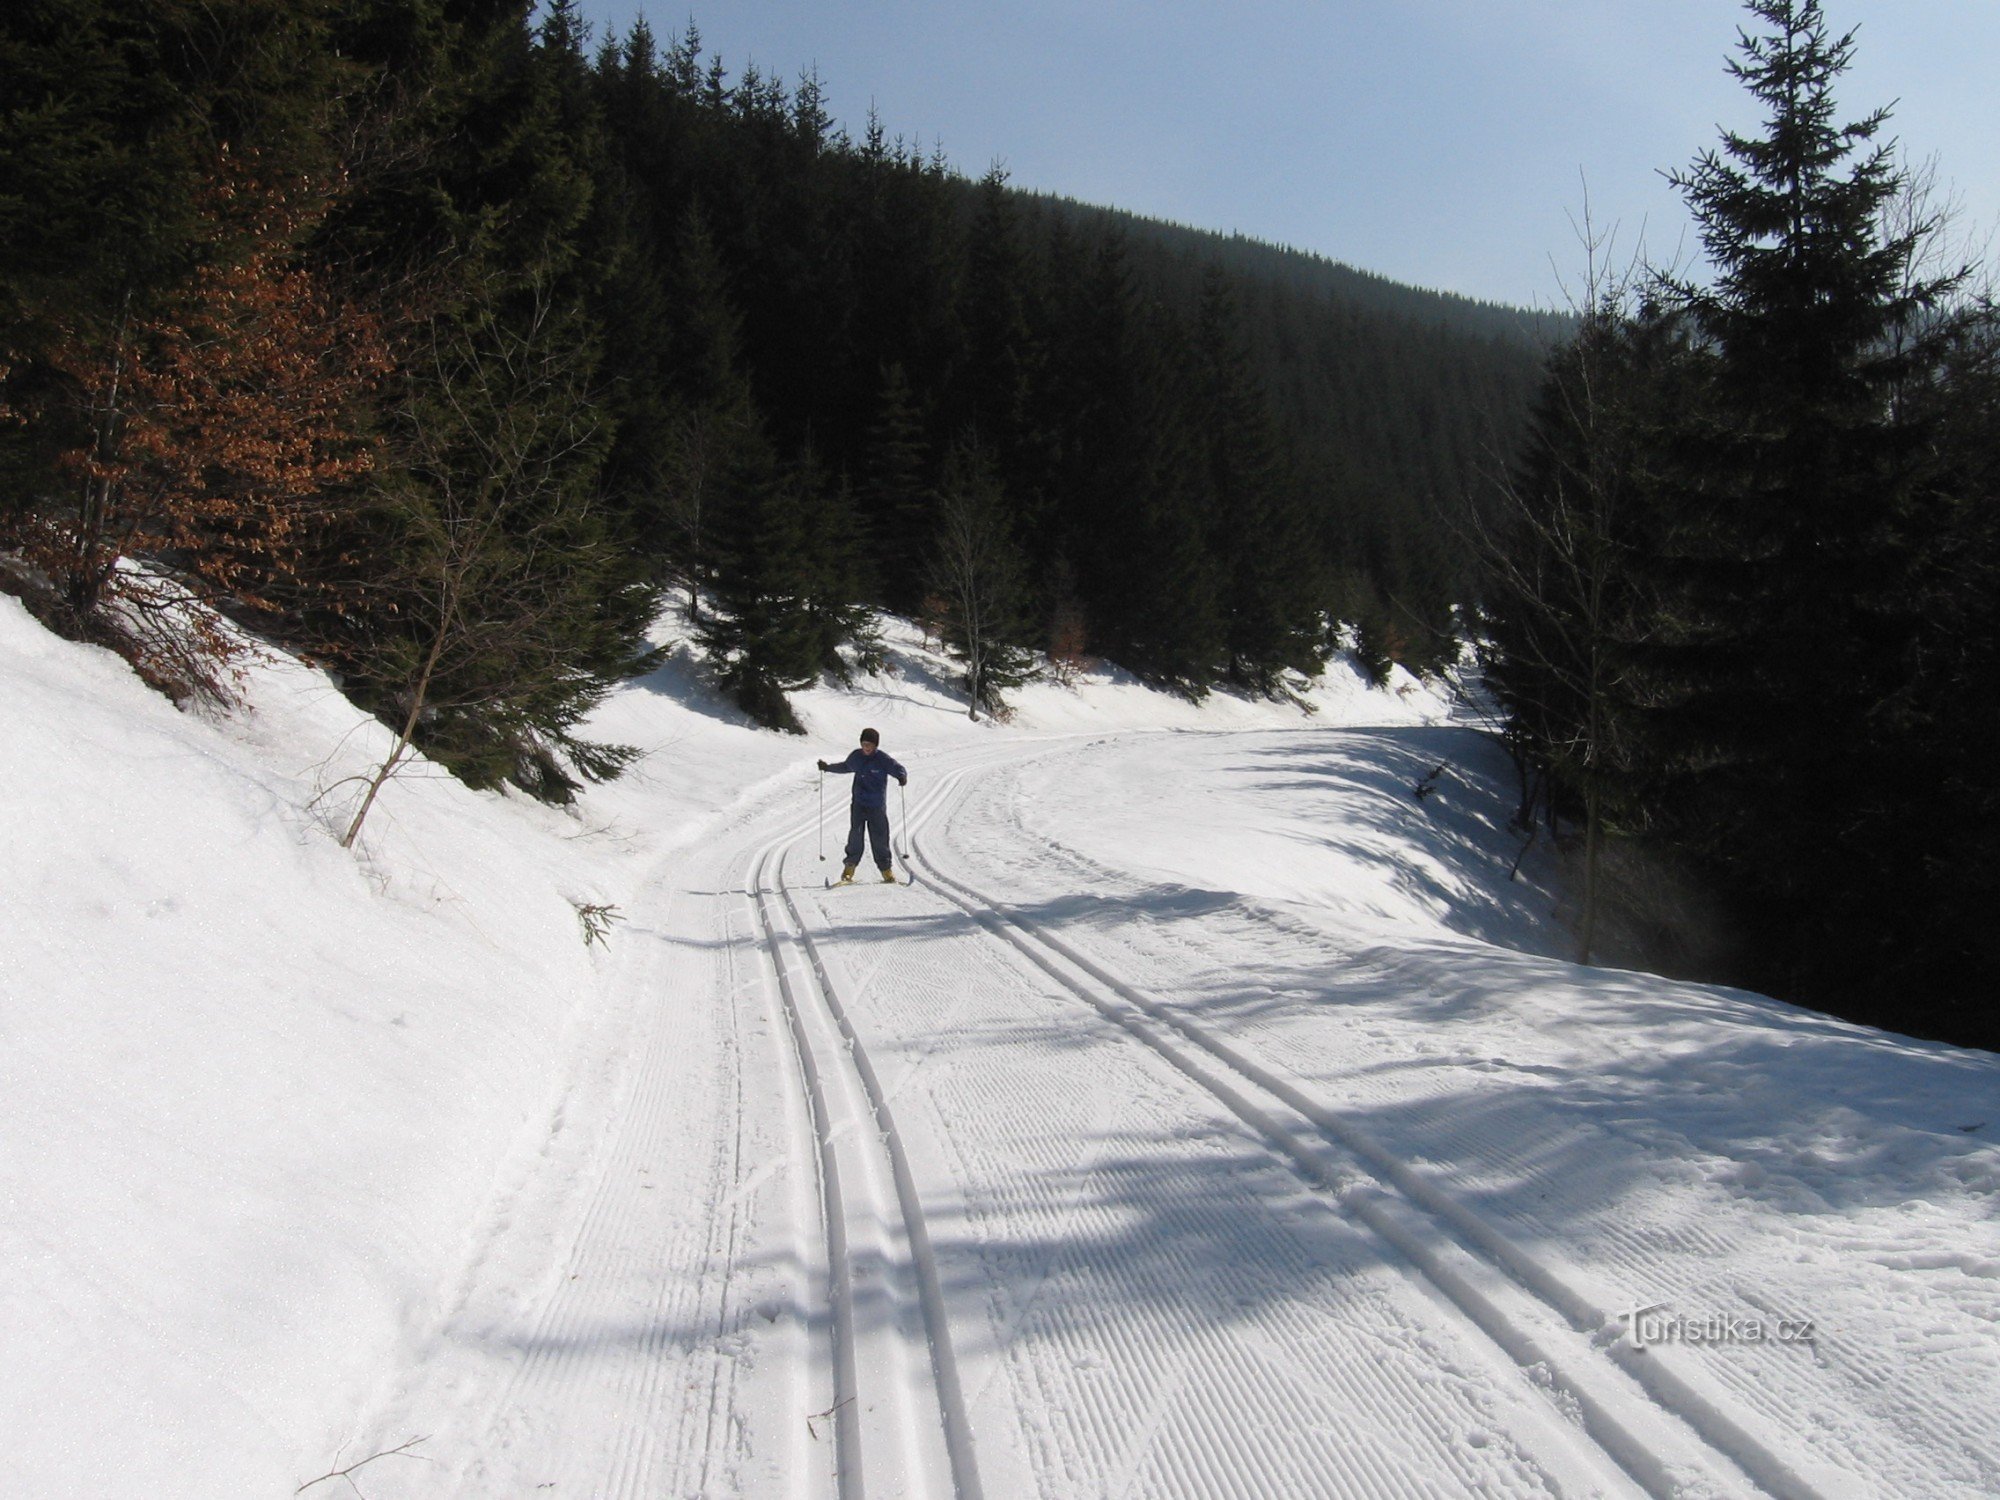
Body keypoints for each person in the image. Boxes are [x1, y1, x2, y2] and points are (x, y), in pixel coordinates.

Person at [817, 727, 908, 883]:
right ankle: (849, 870)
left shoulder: (882, 759)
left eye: (870, 745)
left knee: (880, 838)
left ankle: (886, 871)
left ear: (875, 746)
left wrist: (901, 776)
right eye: (864, 744)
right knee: (855, 837)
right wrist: (828, 767)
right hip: (859, 804)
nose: (866, 748)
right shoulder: (856, 757)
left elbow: (897, 768)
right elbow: (845, 767)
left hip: (877, 806)